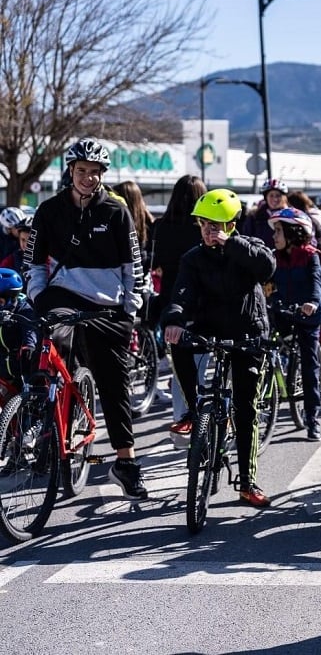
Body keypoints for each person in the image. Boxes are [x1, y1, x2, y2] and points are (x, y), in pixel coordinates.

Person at [26, 137, 148, 499]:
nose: (88, 179)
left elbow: (133, 266)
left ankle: (125, 464)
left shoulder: (116, 212)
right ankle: (41, 428)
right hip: (63, 296)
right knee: (46, 357)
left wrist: (131, 307)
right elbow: (33, 261)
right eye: (82, 171)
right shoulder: (48, 211)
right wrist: (37, 295)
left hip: (108, 306)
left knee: (115, 384)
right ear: (70, 172)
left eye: (95, 173)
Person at [161, 189, 276, 507]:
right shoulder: (193, 258)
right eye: (203, 224)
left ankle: (248, 482)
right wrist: (174, 320)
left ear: (231, 224)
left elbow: (266, 268)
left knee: (245, 409)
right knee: (179, 344)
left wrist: (231, 243)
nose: (208, 231)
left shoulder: (249, 246)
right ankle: (194, 411)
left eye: (215, 225)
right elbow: (180, 295)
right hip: (209, 326)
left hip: (248, 333)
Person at [151, 176, 208, 435]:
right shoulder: (202, 228)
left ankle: (181, 418)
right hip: (202, 300)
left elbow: (156, 264)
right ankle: (199, 418)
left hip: (171, 300)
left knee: (179, 367)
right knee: (200, 363)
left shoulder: (161, 226)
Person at [267, 207, 321, 441]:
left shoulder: (311, 255)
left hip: (305, 316)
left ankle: (313, 419)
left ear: (293, 233)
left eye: (278, 231)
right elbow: (266, 284)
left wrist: (312, 303)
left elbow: (317, 286)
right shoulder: (274, 256)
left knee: (309, 365)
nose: (274, 236)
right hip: (281, 313)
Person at [0, 268, 38, 401]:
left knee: (32, 403)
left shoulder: (24, 310)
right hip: (3, 370)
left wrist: (29, 345)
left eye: (0, 302)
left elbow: (30, 329)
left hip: (21, 368)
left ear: (11, 298)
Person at [239, 178, 290, 248]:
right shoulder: (254, 216)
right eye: (271, 195)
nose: (275, 199)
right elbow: (246, 238)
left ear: (283, 197)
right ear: (266, 197)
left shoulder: (290, 216)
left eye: (278, 195)